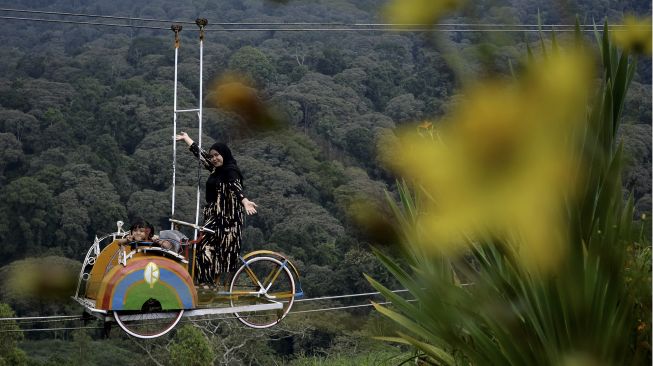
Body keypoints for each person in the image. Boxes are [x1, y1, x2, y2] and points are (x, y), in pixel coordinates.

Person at [175, 131, 257, 289]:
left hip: (227, 219)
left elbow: (235, 186)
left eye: (217, 155)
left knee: (205, 245)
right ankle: (205, 282)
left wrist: (244, 200)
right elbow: (202, 155)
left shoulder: (230, 170)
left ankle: (208, 283)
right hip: (214, 217)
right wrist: (187, 139)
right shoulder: (215, 169)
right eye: (212, 156)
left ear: (224, 154)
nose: (214, 159)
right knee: (201, 245)